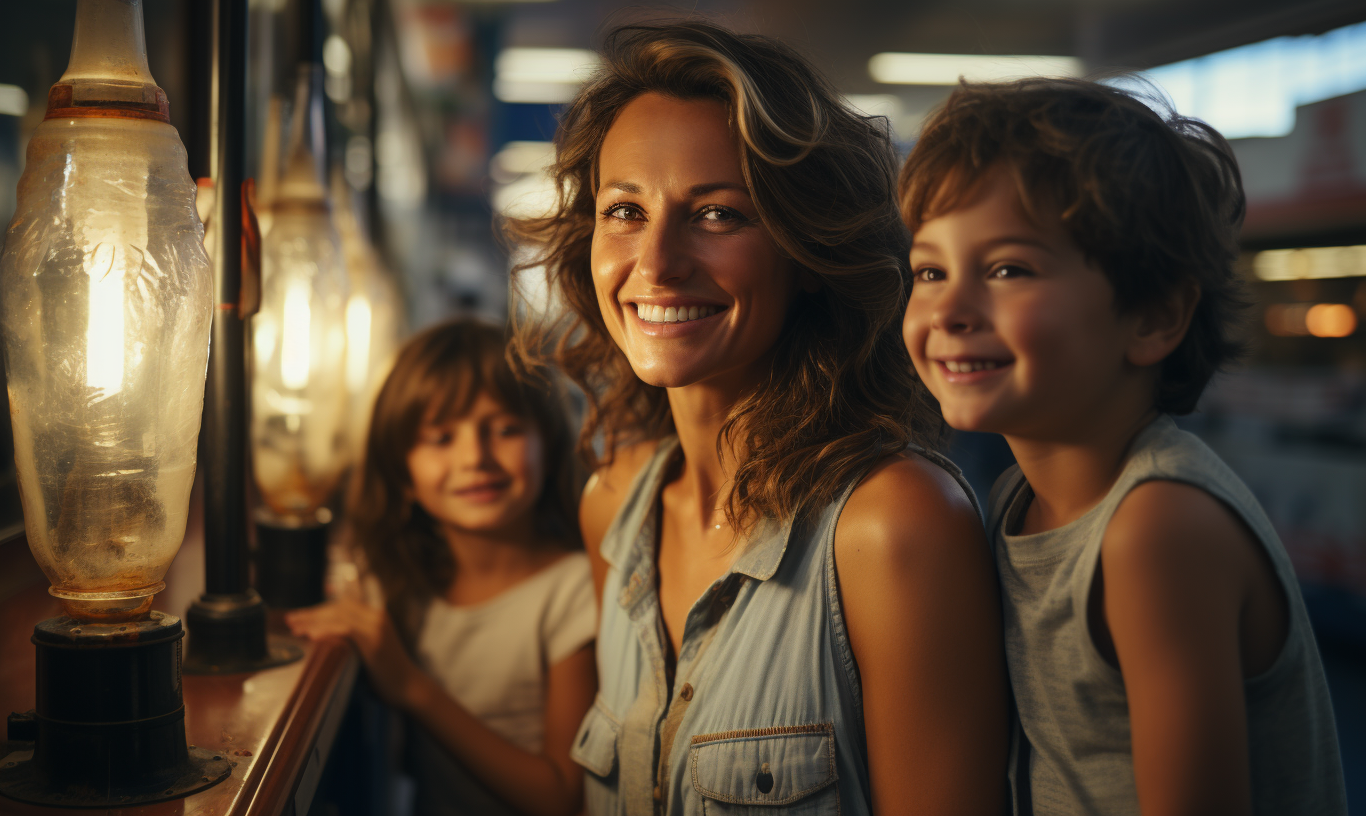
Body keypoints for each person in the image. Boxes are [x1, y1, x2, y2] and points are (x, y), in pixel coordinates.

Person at [506, 21, 1007, 816]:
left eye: (718, 215)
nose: (657, 262)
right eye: (625, 210)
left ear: (806, 253)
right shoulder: (616, 504)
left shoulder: (894, 526)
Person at [899, 78, 1347, 816]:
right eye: (929, 271)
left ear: (1155, 316)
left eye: (1009, 269)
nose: (948, 308)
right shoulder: (1021, 497)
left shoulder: (1156, 528)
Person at [286, 319, 596, 816]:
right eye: (441, 436)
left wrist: (410, 686)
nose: (476, 457)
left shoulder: (573, 592)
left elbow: (563, 796)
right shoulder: (405, 582)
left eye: (506, 429)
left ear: (550, 446)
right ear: (402, 472)